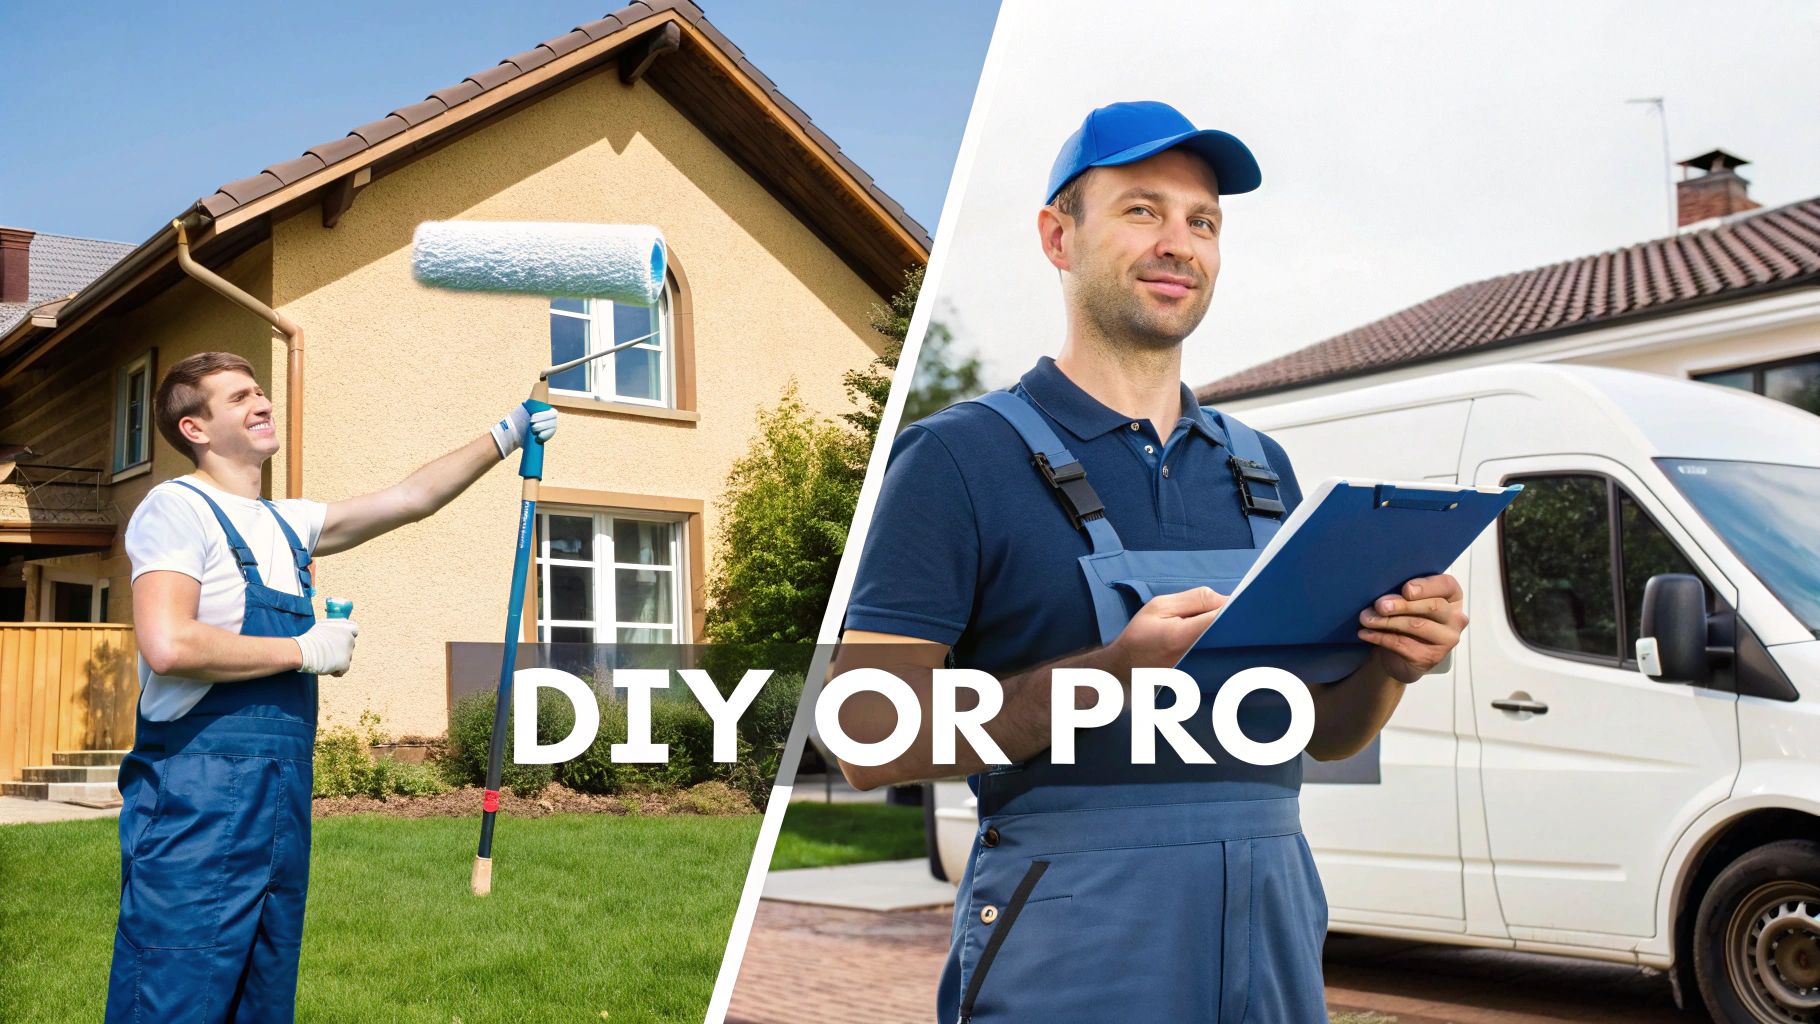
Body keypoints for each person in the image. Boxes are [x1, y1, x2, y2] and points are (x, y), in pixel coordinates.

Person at [834, 101, 1470, 1022]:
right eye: (1142, 210)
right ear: (1058, 237)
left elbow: (1324, 735)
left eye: (1202, 222)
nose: (1180, 243)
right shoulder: (957, 459)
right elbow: (866, 735)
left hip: (1270, 926)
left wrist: (1392, 663)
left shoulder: (1260, 469)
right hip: (1072, 937)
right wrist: (1110, 674)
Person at [107, 350, 555, 1023]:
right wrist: (302, 649)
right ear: (195, 429)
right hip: (196, 799)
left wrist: (507, 433)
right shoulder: (176, 508)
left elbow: (411, 499)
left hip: (279, 801)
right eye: (239, 398)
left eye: (260, 391)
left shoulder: (286, 524)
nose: (262, 402)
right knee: (174, 997)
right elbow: (168, 644)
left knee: (262, 1000)